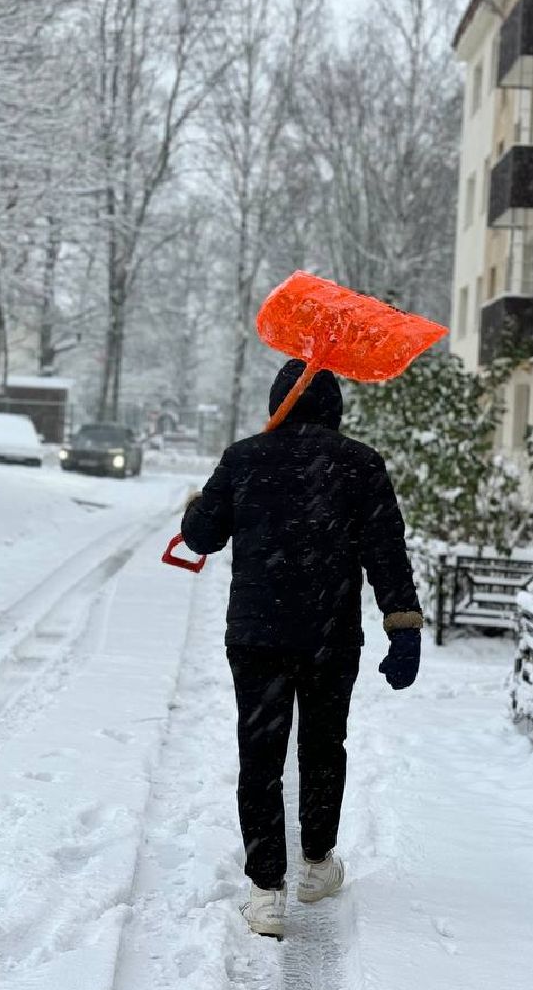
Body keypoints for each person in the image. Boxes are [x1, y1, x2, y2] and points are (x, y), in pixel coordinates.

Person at [180, 358, 422, 938]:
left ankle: (266, 892)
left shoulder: (245, 458)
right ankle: (316, 865)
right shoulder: (361, 465)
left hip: (258, 636)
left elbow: (201, 536)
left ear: (277, 403)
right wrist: (402, 626)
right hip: (329, 637)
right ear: (334, 408)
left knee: (260, 757)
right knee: (322, 746)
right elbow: (385, 551)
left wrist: (201, 501)